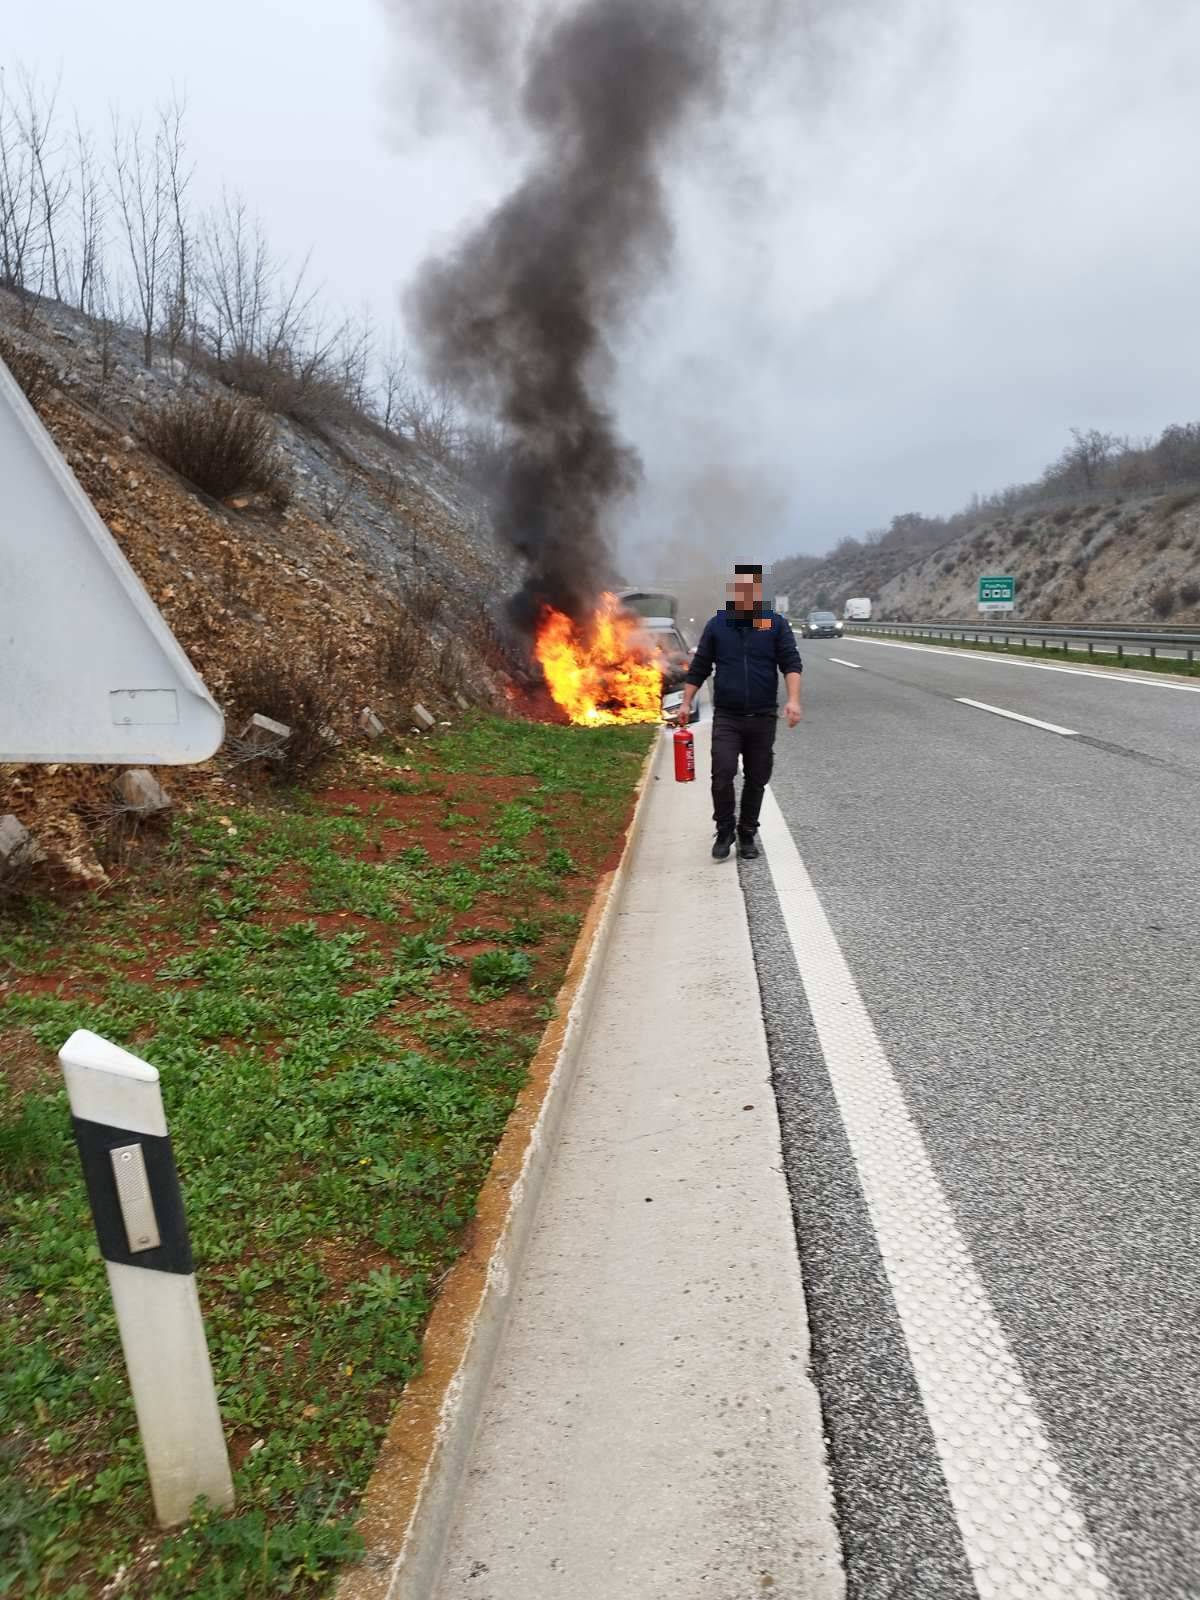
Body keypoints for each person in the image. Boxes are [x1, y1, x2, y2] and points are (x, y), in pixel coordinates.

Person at [677, 564, 803, 861]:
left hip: (762, 716)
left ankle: (747, 833)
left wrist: (794, 700)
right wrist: (685, 702)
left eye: (752, 588)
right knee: (722, 772)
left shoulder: (774, 624)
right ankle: (724, 830)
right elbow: (700, 667)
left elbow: (791, 664)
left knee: (757, 777)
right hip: (728, 716)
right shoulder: (718, 626)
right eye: (740, 588)